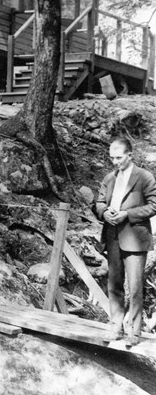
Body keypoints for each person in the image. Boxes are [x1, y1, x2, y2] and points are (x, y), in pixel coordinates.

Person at [95, 137, 156, 347]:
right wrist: (105, 213)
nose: (115, 162)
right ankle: (115, 326)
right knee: (114, 284)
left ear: (130, 155)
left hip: (136, 240)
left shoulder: (144, 177)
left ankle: (135, 332)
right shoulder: (109, 178)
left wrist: (126, 214)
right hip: (112, 236)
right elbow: (99, 202)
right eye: (112, 158)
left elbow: (154, 205)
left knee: (136, 286)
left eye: (119, 158)